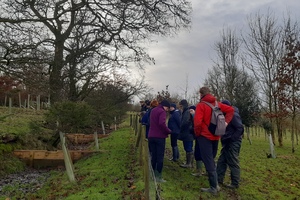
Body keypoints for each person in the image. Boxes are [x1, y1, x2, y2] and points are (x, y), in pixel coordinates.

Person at [194, 87, 234, 194]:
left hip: (205, 136)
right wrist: (226, 123)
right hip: (216, 135)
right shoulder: (217, 104)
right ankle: (215, 184)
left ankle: (213, 187)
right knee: (212, 158)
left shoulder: (201, 105)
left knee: (208, 160)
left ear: (201, 94)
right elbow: (231, 110)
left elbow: (197, 122)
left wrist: (197, 134)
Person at [217, 100, 244, 189]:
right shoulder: (224, 115)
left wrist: (232, 139)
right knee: (222, 160)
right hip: (227, 141)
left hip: (233, 142)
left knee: (233, 161)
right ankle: (218, 179)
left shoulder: (234, 115)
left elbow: (240, 128)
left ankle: (235, 183)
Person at [148, 99, 171, 183]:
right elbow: (162, 123)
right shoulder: (162, 112)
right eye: (167, 108)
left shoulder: (153, 110)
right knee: (160, 156)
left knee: (153, 155)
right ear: (165, 107)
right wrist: (168, 131)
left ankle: (152, 173)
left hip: (151, 135)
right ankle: (158, 176)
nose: (167, 110)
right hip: (159, 137)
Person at [178, 99, 195, 168]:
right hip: (187, 134)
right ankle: (190, 163)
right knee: (187, 148)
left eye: (181, 106)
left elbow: (185, 123)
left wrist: (181, 127)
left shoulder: (187, 112)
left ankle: (189, 163)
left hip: (188, 134)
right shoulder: (186, 112)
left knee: (188, 148)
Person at [189, 105, 204, 177]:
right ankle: (200, 170)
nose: (190, 112)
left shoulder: (197, 117)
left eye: (192, 110)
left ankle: (199, 171)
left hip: (201, 137)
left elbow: (197, 126)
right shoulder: (192, 117)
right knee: (199, 153)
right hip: (199, 137)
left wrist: (192, 130)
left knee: (199, 153)